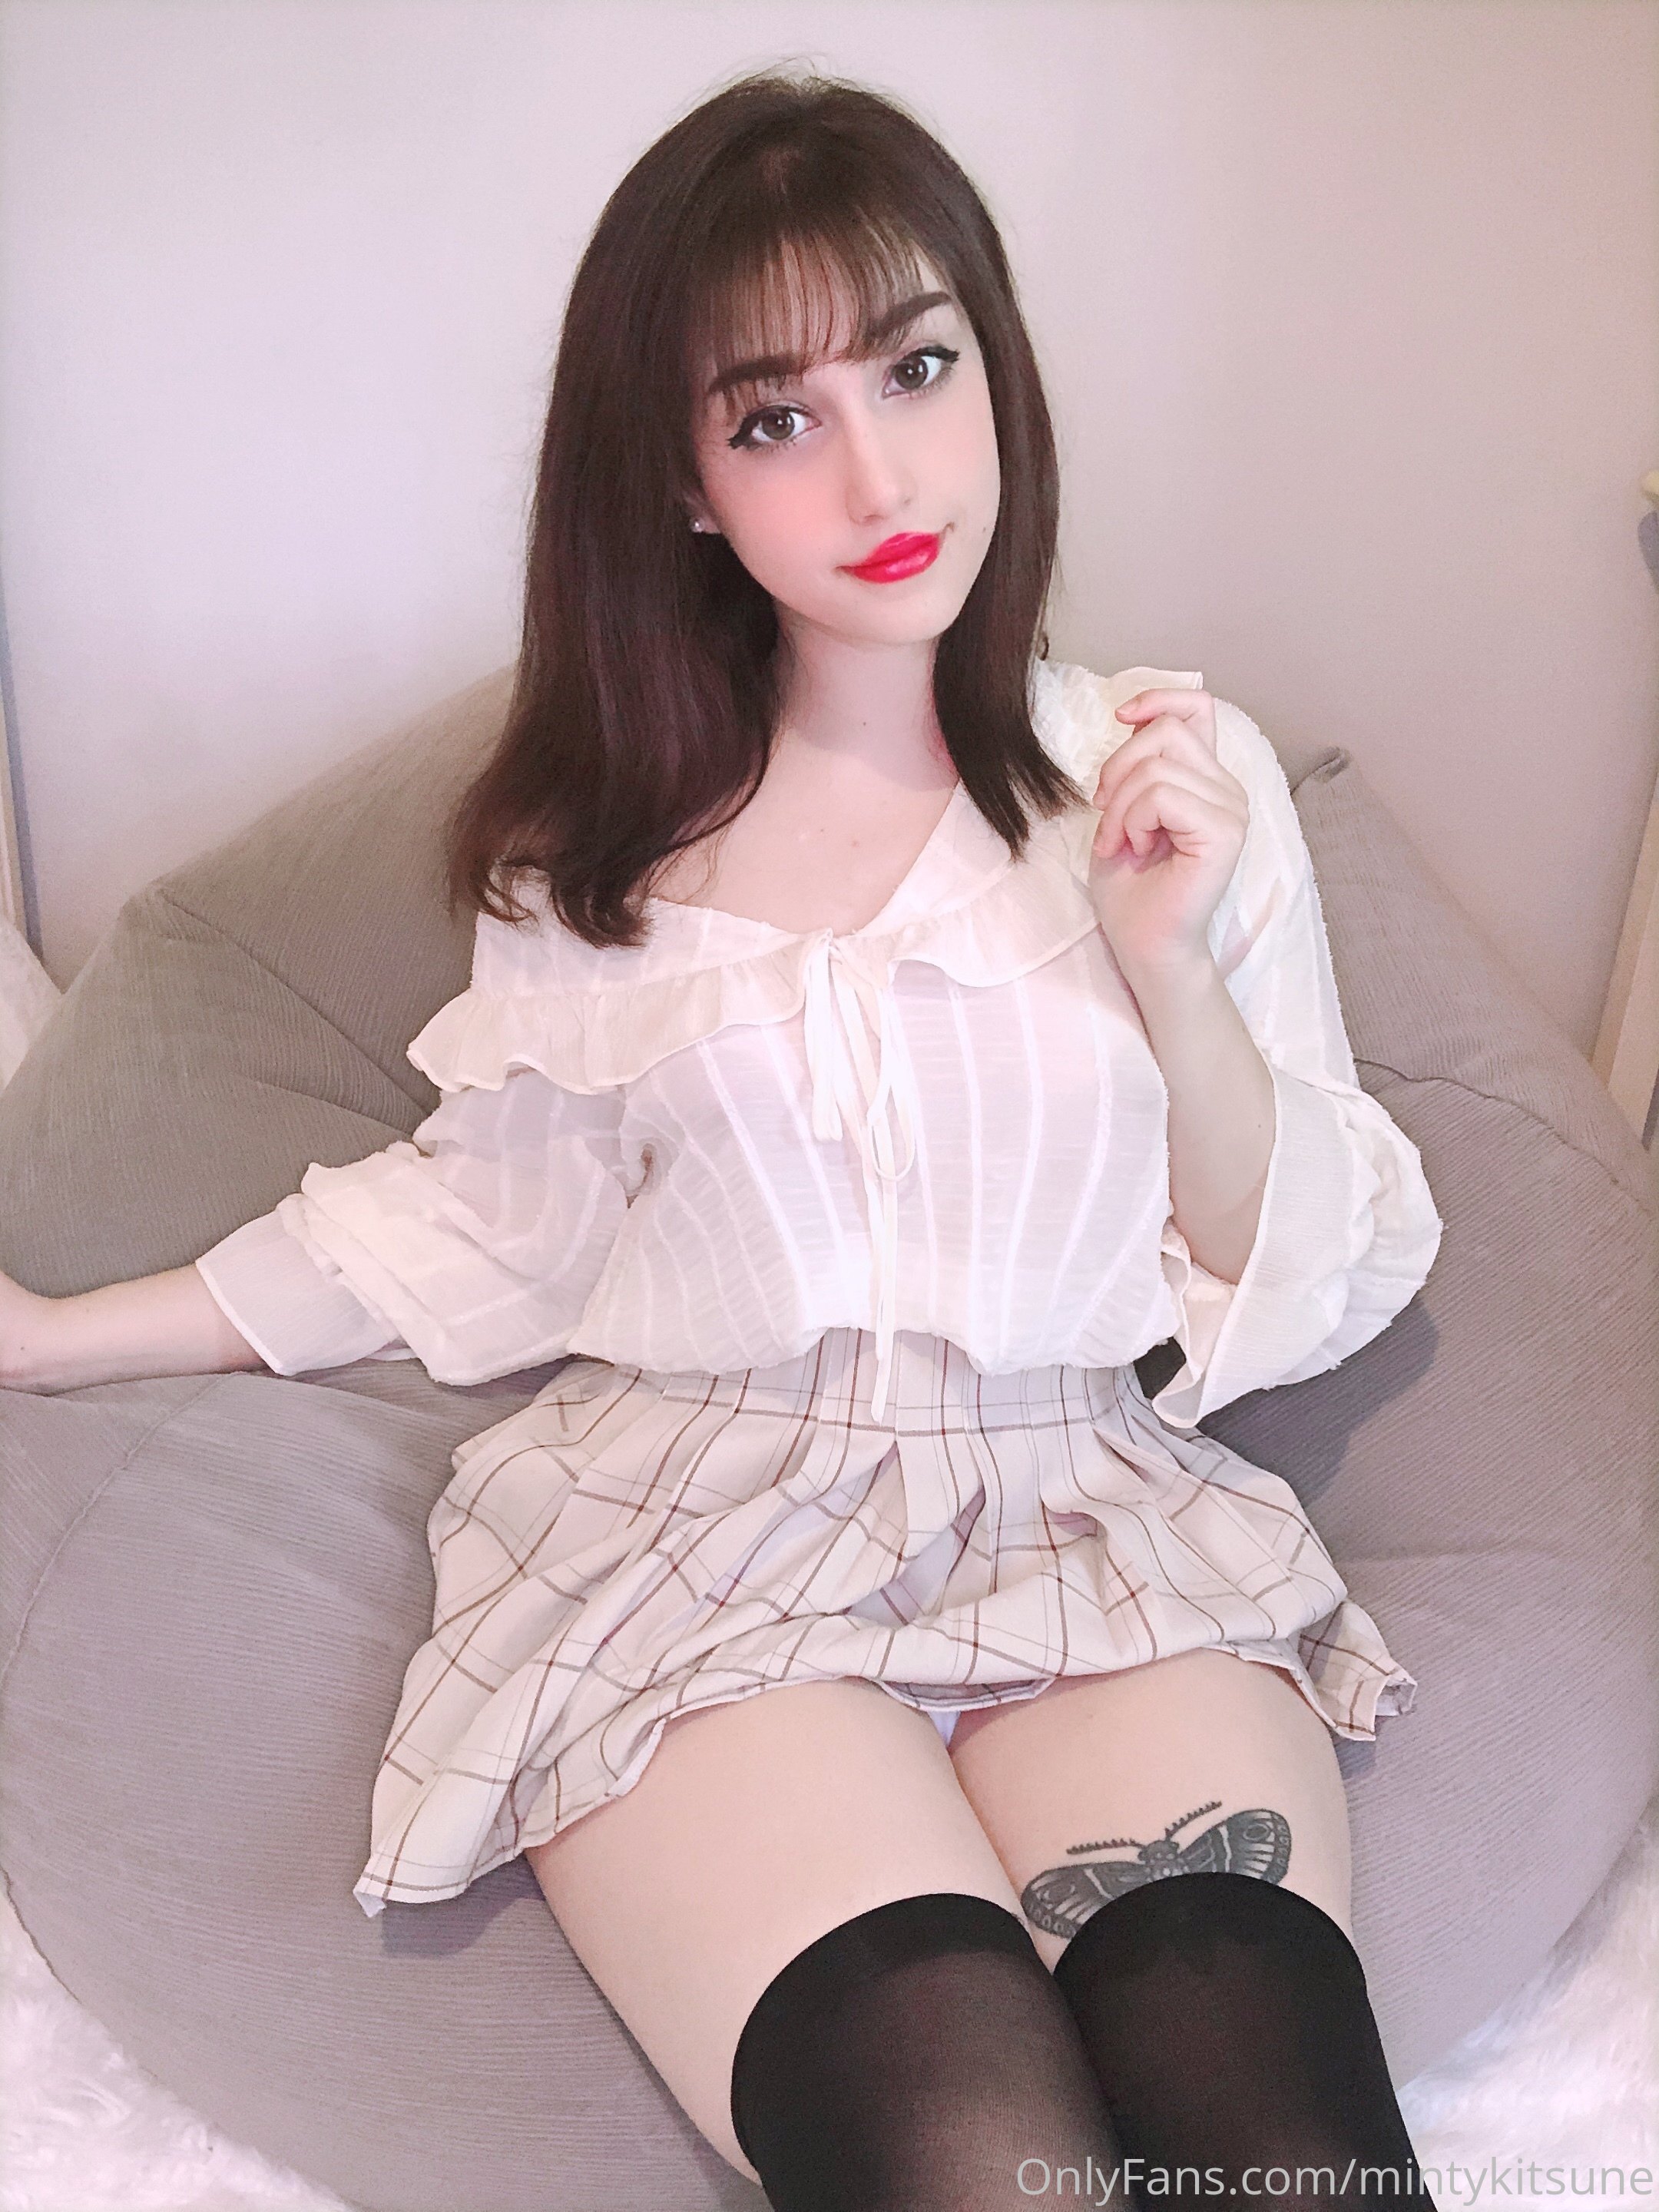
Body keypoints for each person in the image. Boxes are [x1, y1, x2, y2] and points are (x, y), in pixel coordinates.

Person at [0, 65, 1447, 2212]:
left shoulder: (1162, 771)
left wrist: (1169, 970)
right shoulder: (596, 860)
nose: (879, 472)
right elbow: (482, 1222)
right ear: (681, 483)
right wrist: (50, 1338)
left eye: (917, 368)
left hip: (1088, 1512)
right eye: (774, 417)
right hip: (704, 1535)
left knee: (1285, 2149)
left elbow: (1294, 1268)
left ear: (995, 370)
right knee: (974, 2155)